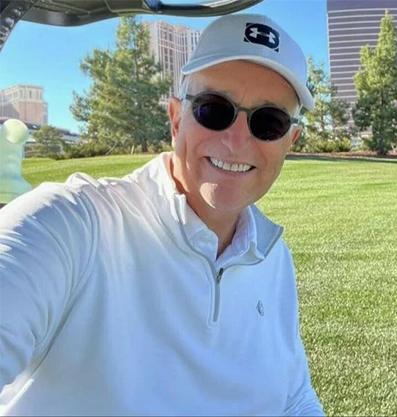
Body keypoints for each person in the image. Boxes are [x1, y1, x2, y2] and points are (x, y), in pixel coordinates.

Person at [0, 14, 324, 416]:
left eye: (269, 122)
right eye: (214, 109)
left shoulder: (273, 258)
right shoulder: (71, 225)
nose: (238, 140)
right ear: (175, 119)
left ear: (290, 141)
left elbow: (294, 397)